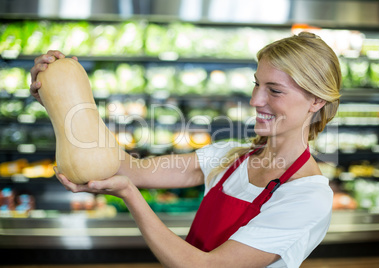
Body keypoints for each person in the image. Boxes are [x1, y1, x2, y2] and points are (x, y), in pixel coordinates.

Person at [30, 31, 341, 268]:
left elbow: (205, 266)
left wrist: (129, 195)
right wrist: (63, 101)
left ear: (316, 101)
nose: (255, 100)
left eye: (274, 90)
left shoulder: (307, 196)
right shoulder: (230, 156)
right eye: (256, 84)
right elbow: (128, 167)